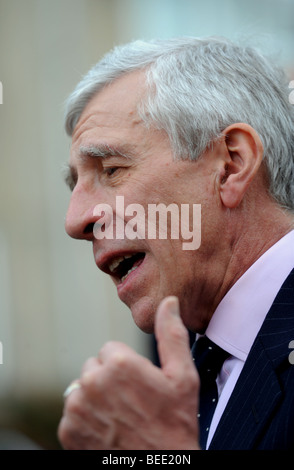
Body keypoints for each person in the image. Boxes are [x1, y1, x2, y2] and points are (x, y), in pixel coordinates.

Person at [58, 37, 294, 450]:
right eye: (74, 185)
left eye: (111, 170)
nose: (75, 221)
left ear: (231, 166)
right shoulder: (187, 365)